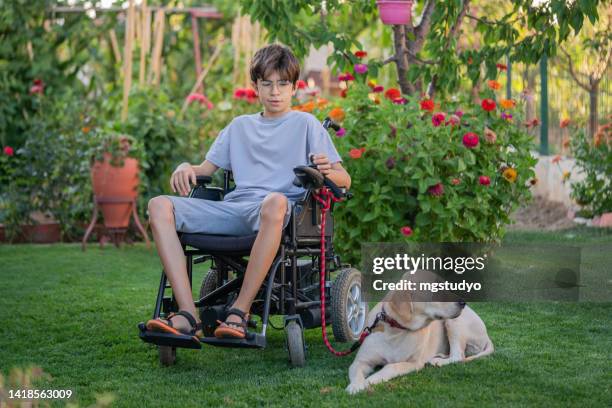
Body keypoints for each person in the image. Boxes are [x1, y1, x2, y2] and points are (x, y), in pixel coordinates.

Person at [145, 44, 351, 340]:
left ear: (294, 87)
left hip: (278, 215)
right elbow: (203, 170)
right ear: (256, 86)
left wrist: (328, 171)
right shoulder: (238, 126)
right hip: (235, 210)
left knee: (275, 201)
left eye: (282, 84)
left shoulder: (306, 124)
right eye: (267, 84)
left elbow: (345, 180)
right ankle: (188, 315)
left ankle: (239, 312)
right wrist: (183, 167)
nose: (275, 92)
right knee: (158, 206)